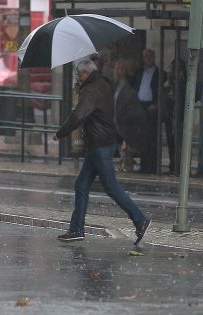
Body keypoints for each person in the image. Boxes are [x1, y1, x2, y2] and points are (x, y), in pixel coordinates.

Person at [53, 59, 151, 244]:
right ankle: (76, 229)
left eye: (79, 75)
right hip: (98, 144)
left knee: (111, 187)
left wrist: (60, 133)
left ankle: (140, 219)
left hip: (100, 145)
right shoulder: (102, 84)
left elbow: (79, 115)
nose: (78, 78)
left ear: (85, 74)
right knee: (81, 185)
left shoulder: (91, 90)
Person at [113, 59, 147, 172]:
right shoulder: (115, 84)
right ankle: (123, 162)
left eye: (123, 68)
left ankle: (128, 162)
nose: (120, 70)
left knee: (128, 140)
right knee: (120, 141)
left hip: (128, 117)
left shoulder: (131, 83)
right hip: (117, 117)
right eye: (118, 68)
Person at [131, 49, 160, 174]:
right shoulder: (139, 72)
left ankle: (152, 166)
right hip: (140, 106)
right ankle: (143, 164)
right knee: (142, 137)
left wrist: (157, 104)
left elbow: (162, 91)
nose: (147, 58)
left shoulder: (159, 73)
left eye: (149, 56)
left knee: (151, 137)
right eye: (145, 56)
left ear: (154, 57)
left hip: (151, 106)